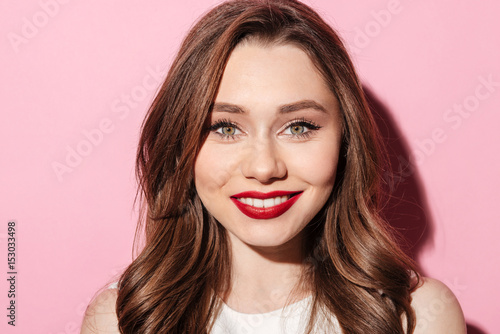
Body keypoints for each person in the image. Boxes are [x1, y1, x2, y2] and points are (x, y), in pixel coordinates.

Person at [81, 0, 466, 333]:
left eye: (298, 127)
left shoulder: (417, 318)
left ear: (346, 142)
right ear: (182, 145)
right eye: (225, 127)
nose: (264, 168)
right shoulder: (121, 320)